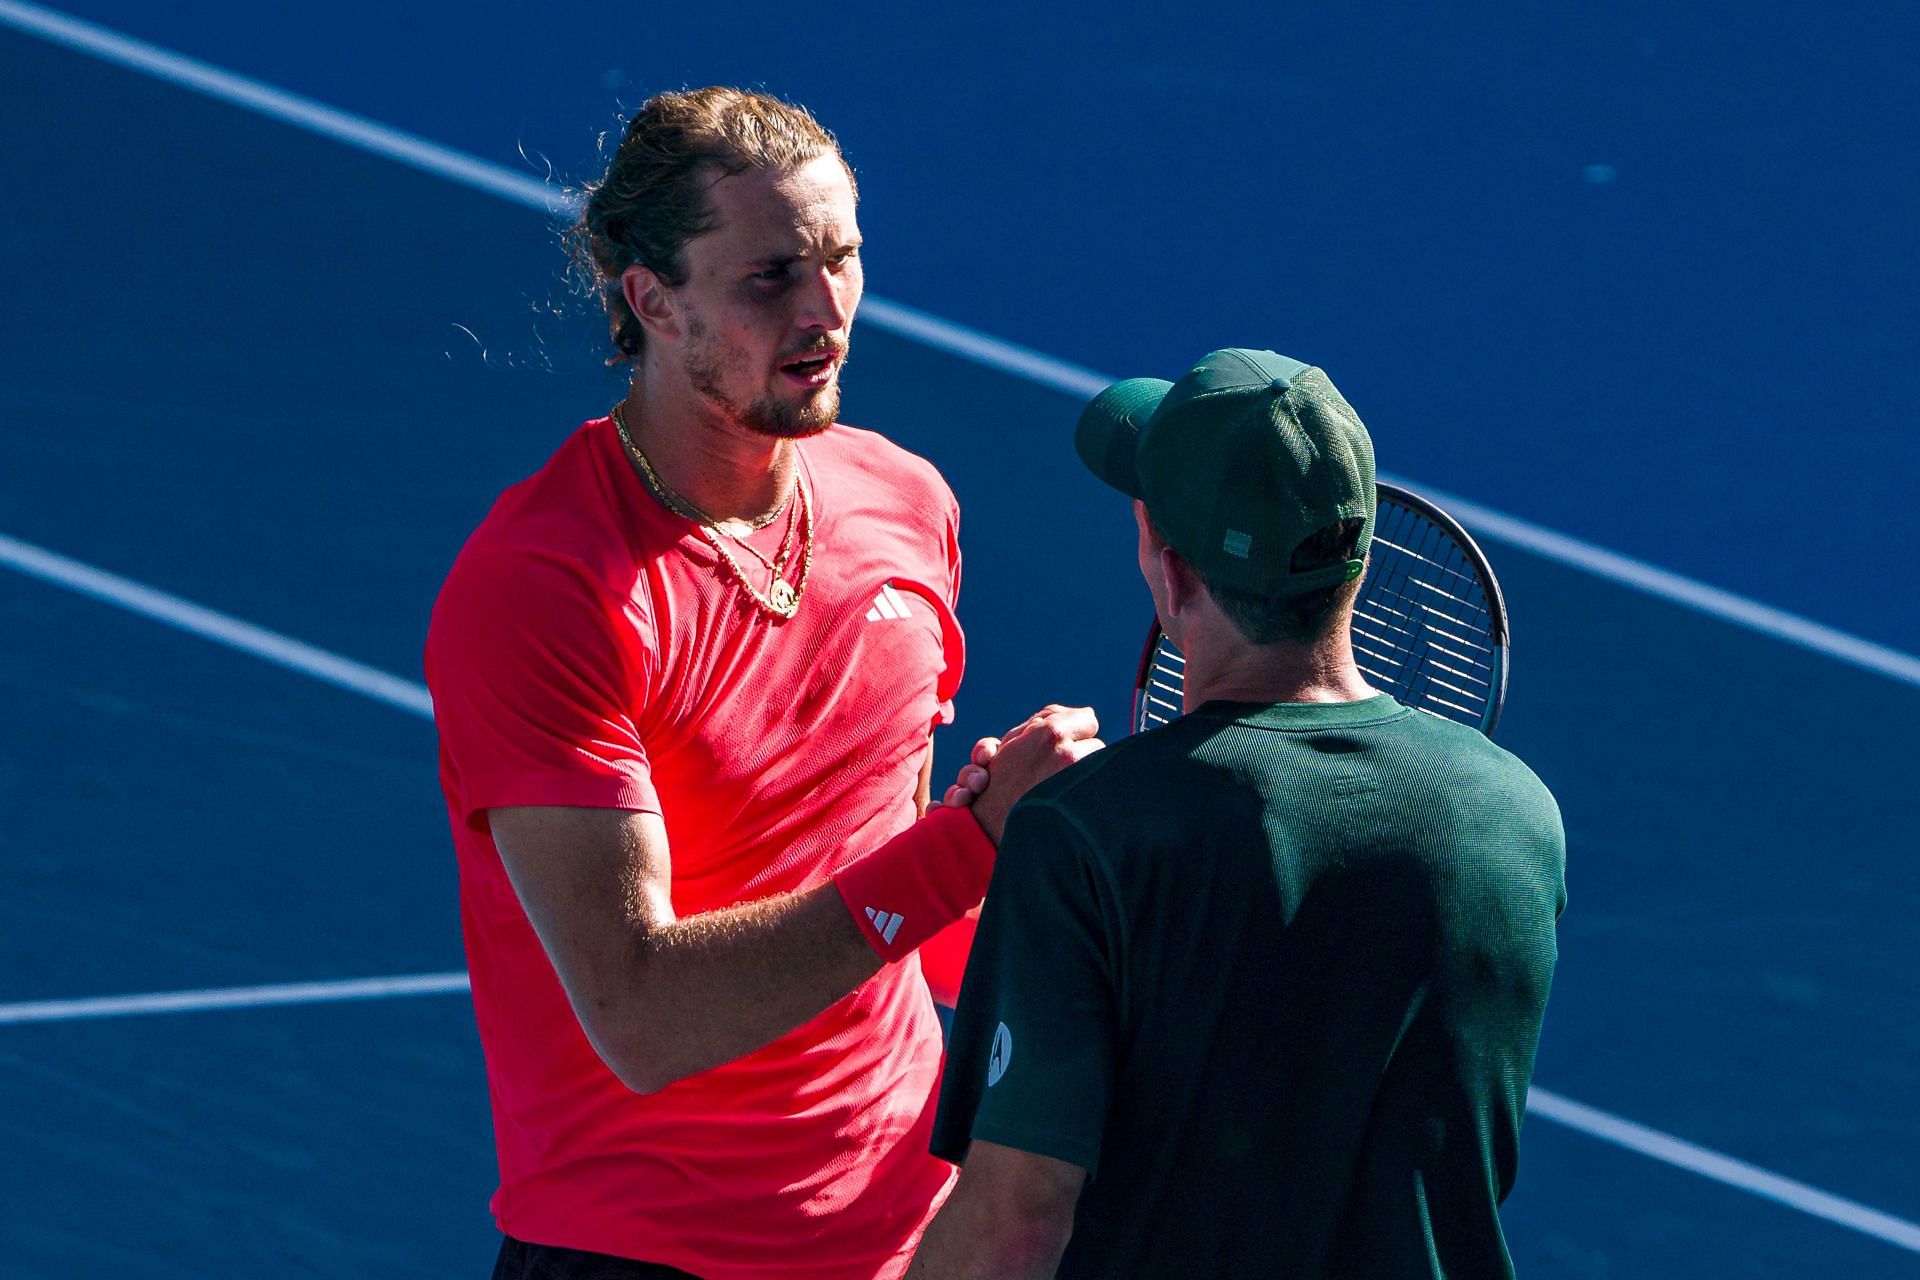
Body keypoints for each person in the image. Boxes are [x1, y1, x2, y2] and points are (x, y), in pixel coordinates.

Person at [424, 87, 1099, 1280]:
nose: (826, 308)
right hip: (645, 1254)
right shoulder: (546, 587)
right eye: (770, 276)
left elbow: (899, 906)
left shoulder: (906, 505)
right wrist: (964, 848)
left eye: (842, 258)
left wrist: (1085, 947)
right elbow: (642, 1017)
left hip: (907, 1230)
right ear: (652, 300)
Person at [913, 349, 1567, 1279]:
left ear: (1170, 575)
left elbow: (1015, 1226)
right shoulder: (1517, 819)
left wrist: (1057, 877)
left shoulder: (1085, 838)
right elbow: (1301, 1023)